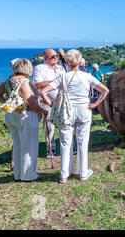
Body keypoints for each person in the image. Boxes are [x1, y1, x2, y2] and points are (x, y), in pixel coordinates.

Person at [40, 49, 110, 183]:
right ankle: (83, 173)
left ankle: (64, 175)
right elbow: (105, 90)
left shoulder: (62, 76)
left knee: (65, 143)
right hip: (84, 110)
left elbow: (43, 92)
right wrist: (95, 104)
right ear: (79, 61)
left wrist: (52, 105)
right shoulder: (87, 76)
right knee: (82, 142)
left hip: (67, 111)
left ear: (67, 61)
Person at [0, 59, 48, 181]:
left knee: (17, 144)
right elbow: (30, 101)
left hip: (12, 114)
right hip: (26, 115)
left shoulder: (9, 80)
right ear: (27, 68)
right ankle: (28, 175)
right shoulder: (24, 82)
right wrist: (42, 110)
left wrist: (8, 103)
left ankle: (17, 174)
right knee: (29, 146)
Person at [33, 49, 65, 157]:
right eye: (52, 56)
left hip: (62, 100)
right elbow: (38, 85)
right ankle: (50, 149)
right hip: (47, 101)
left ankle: (67, 146)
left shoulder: (61, 67)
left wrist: (63, 55)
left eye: (56, 56)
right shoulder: (39, 68)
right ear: (45, 58)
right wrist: (56, 81)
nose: (55, 58)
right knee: (49, 125)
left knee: (65, 124)